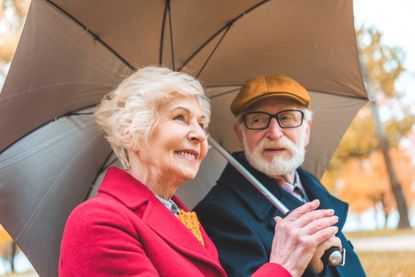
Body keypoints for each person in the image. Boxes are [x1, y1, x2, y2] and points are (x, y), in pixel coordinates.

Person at [58, 67, 339, 277]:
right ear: (131, 132)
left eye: (201, 123)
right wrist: (282, 267)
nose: (198, 134)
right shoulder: (97, 222)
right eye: (180, 117)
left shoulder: (184, 219)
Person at [194, 74, 366, 277]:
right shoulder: (218, 214)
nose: (274, 133)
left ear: (307, 130)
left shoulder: (313, 190)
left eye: (286, 118)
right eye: (258, 120)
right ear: (241, 134)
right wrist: (312, 269)